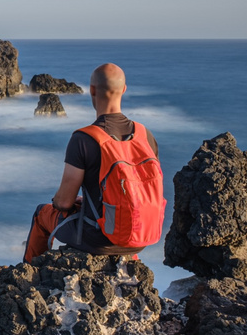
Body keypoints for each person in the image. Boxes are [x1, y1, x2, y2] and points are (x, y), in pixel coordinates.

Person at [23, 63, 161, 263]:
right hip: (142, 237)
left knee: (41, 213)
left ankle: (30, 275)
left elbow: (63, 203)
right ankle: (130, 261)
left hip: (98, 239)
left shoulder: (85, 138)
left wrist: (61, 201)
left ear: (92, 90)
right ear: (124, 89)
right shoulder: (145, 135)